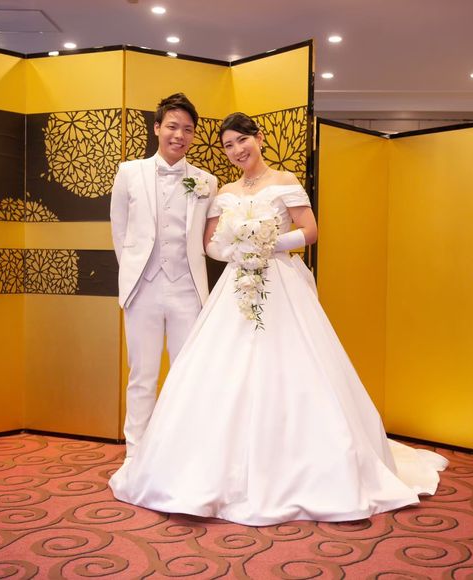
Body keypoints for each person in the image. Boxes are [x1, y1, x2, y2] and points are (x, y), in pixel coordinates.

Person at [109, 112, 447, 526]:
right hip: (235, 284)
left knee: (290, 366)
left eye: (242, 140)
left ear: (259, 138)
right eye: (228, 145)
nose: (236, 150)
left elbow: (310, 230)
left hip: (280, 283)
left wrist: (267, 243)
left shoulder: (285, 181)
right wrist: (237, 250)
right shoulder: (223, 189)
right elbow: (210, 243)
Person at [110, 93, 218, 460]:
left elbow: (208, 237)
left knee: (188, 375)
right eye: (172, 126)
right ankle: (136, 454)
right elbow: (120, 231)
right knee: (142, 374)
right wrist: (133, 276)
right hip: (143, 288)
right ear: (157, 128)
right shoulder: (129, 172)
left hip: (188, 290)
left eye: (188, 129)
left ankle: (182, 454)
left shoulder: (207, 181)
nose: (179, 135)